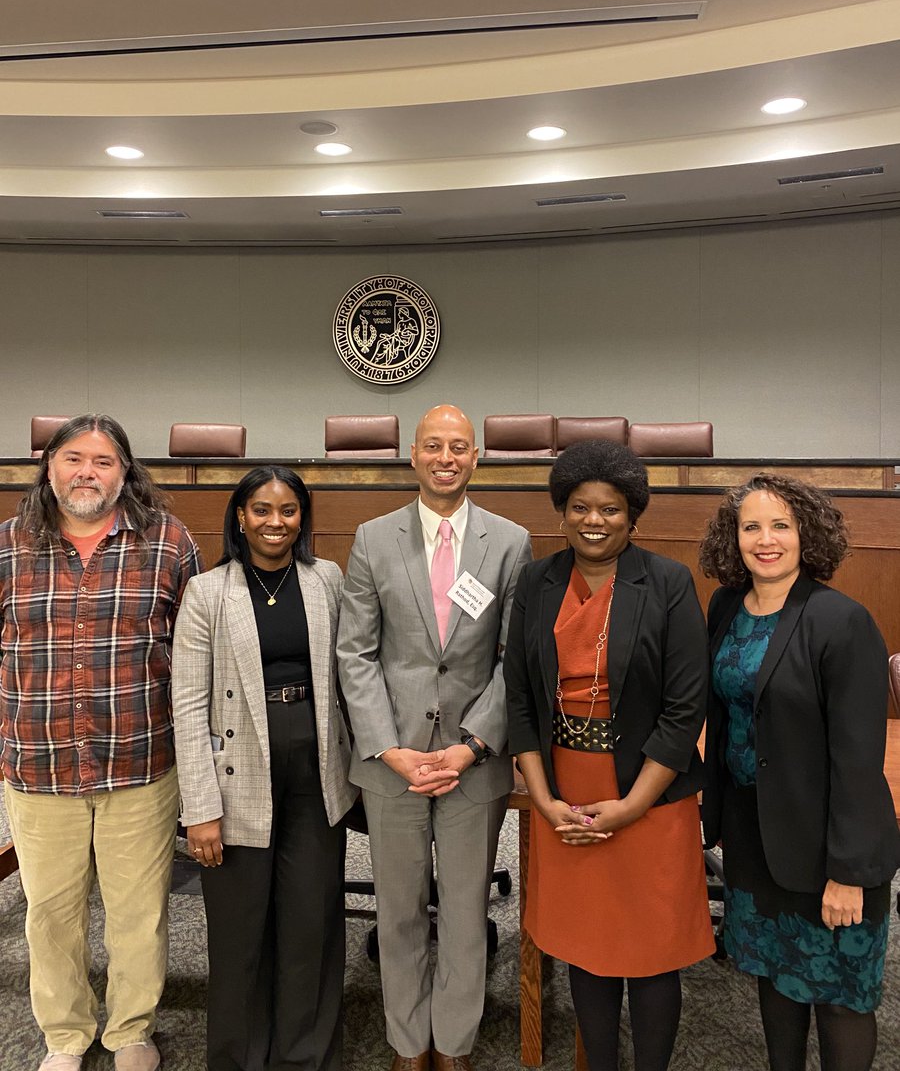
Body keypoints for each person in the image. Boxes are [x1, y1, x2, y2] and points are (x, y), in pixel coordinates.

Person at [0, 414, 202, 1071]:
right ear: (50, 467)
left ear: (126, 472)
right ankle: (65, 1034)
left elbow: (196, 653)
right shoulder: (7, 547)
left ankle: (130, 1031)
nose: (88, 472)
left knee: (138, 912)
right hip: (39, 765)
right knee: (50, 914)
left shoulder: (168, 544)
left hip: (138, 761)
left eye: (104, 461)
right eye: (74, 459)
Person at [504, 439, 714, 1071]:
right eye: (579, 507)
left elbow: (684, 710)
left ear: (633, 516)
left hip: (646, 789)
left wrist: (630, 806)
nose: (594, 520)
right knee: (586, 944)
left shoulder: (669, 582)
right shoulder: (536, 581)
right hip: (564, 785)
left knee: (651, 948)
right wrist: (541, 799)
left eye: (610, 509)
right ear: (561, 513)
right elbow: (519, 698)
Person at [337, 404, 532, 1071]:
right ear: (413, 457)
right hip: (392, 761)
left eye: (460, 446)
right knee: (396, 912)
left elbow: (515, 658)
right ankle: (407, 1041)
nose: (446, 457)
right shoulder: (373, 537)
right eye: (433, 446)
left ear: (476, 458)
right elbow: (355, 654)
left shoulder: (509, 542)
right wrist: (388, 747)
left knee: (465, 908)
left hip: (471, 761)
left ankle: (453, 1042)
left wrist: (474, 743)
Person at [699, 474, 900, 1071]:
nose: (765, 540)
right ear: (732, 538)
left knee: (840, 997)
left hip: (826, 849)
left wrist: (848, 873)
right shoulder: (726, 607)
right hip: (754, 838)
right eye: (751, 526)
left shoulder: (841, 621)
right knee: (775, 978)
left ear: (805, 534)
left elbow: (859, 758)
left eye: (780, 526)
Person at [172, 466, 356, 1071]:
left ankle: (304, 1056)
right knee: (240, 935)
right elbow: (189, 703)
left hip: (315, 776)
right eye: (261, 510)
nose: (275, 523)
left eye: (288, 511)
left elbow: (349, 676)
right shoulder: (208, 591)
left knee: (311, 927)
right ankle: (239, 1059)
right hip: (236, 781)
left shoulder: (326, 579)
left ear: (303, 519)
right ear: (240, 518)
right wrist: (199, 808)